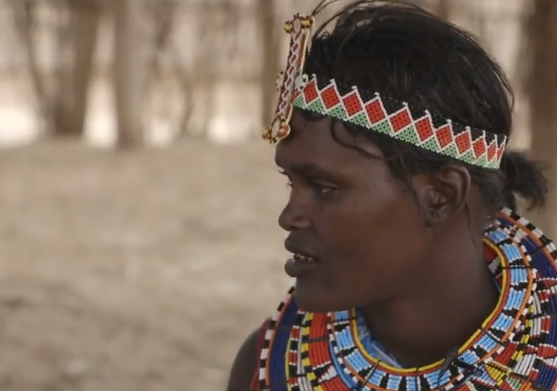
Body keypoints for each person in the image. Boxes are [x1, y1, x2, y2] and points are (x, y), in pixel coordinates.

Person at [227, 1, 555, 390]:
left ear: (441, 195)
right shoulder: (265, 368)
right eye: (291, 182)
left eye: (324, 187)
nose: (289, 216)